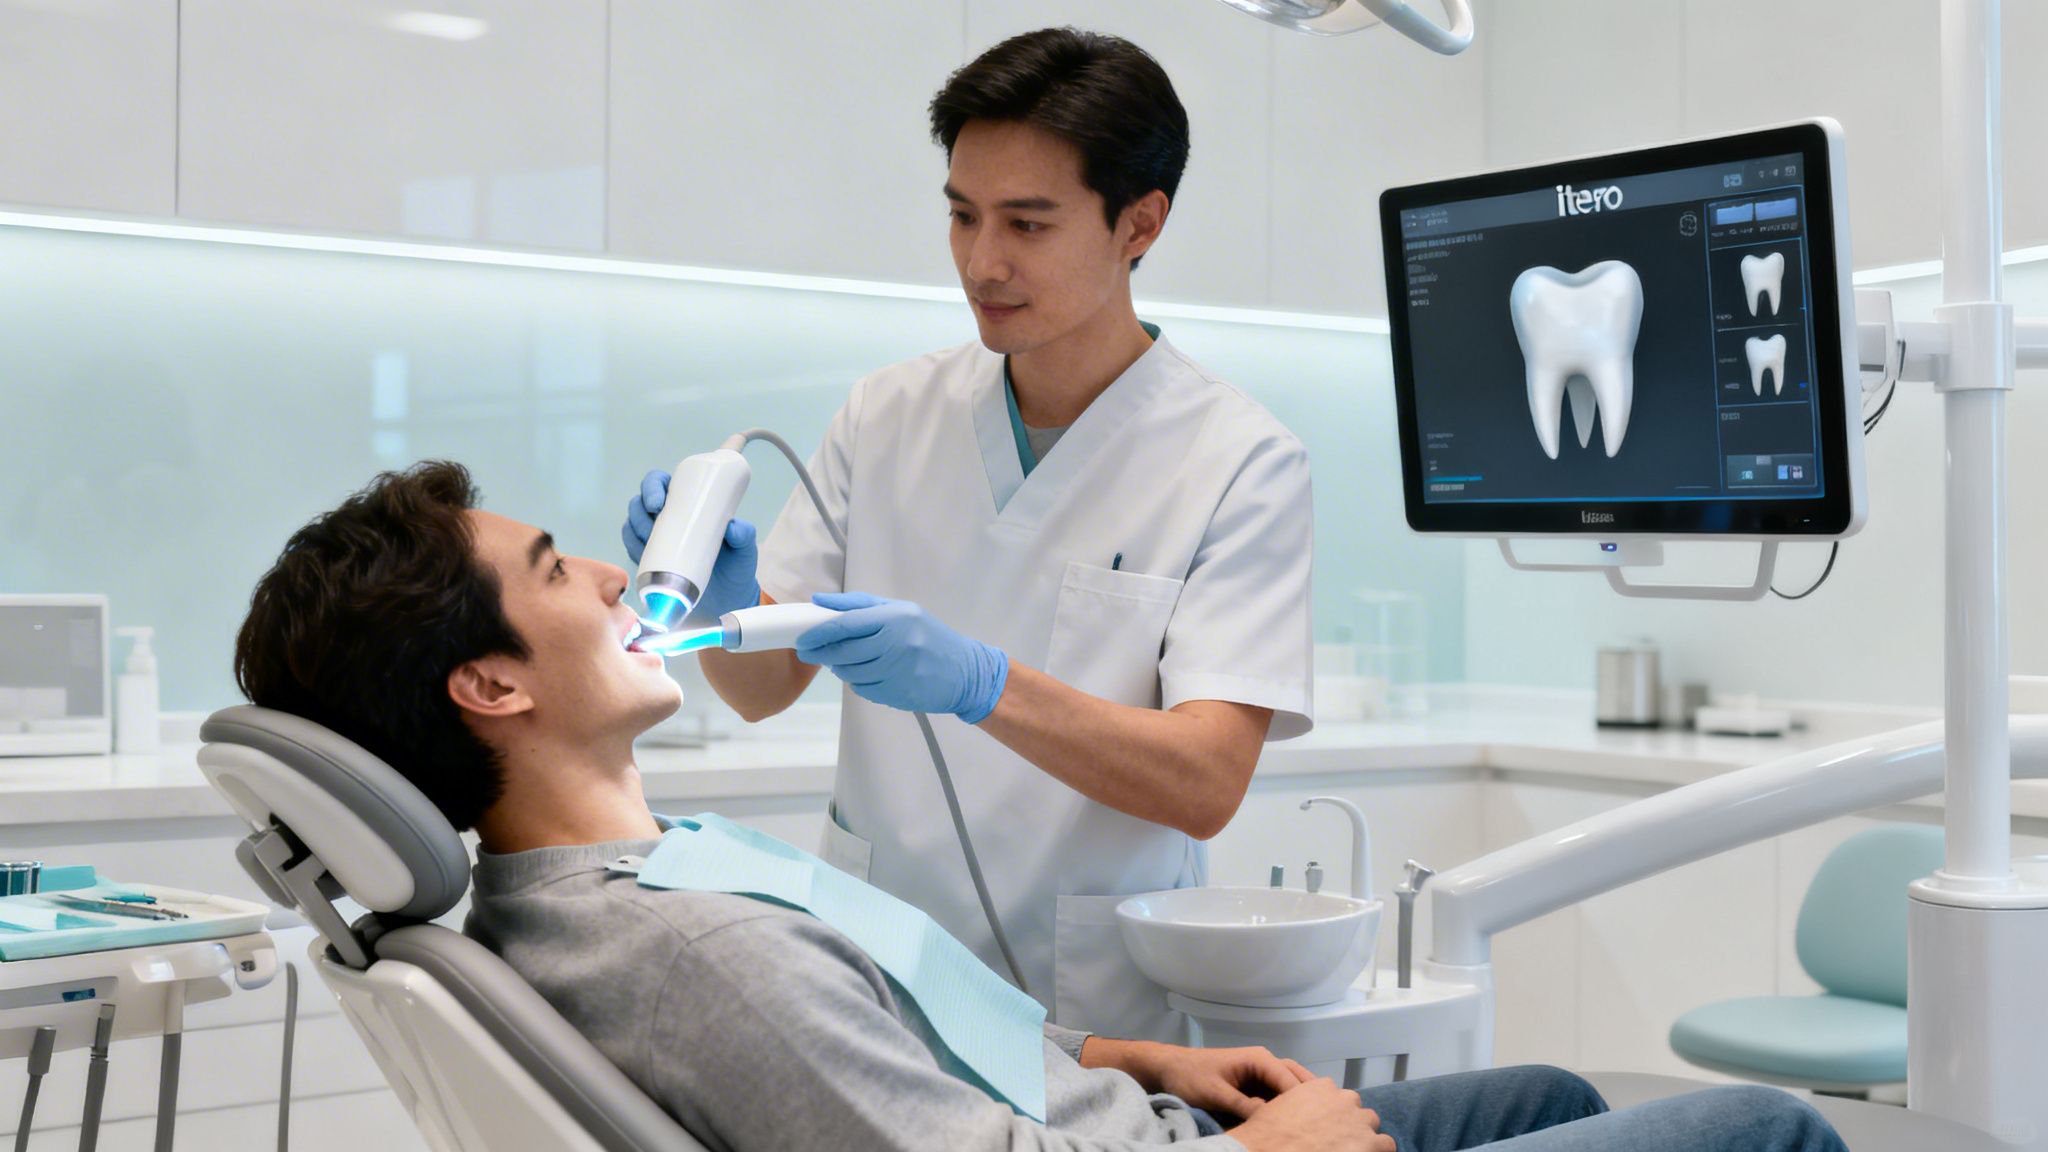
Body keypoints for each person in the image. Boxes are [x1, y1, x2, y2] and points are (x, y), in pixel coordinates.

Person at [236, 461, 1847, 1152]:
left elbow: (891, 1042)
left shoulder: (637, 882)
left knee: (1549, 1084)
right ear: (492, 689)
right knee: (1766, 1129)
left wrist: (1124, 1056)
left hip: (1113, 1110)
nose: (605, 570)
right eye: (549, 573)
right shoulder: (680, 954)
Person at [624, 26, 1313, 1041]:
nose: (981, 261)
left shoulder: (1239, 460)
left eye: (1027, 224)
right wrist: (728, 604)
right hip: (874, 974)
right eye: (961, 216)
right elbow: (761, 690)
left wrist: (979, 684)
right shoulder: (887, 412)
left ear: (1139, 225)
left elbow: (1205, 782)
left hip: (1091, 1003)